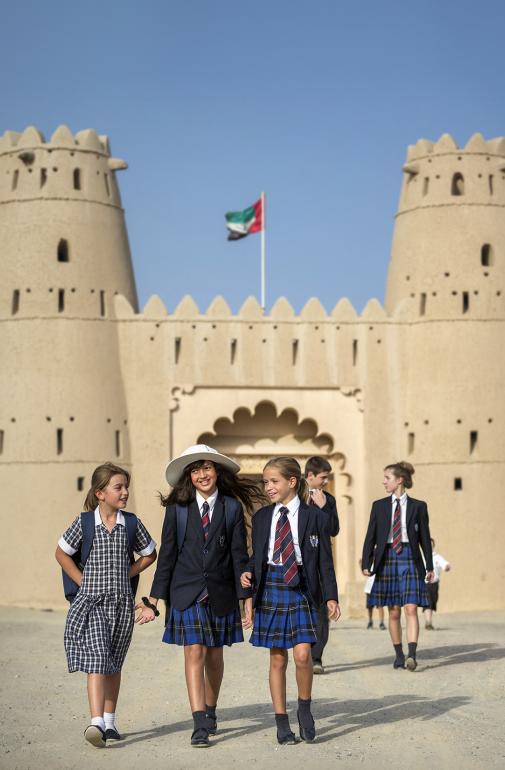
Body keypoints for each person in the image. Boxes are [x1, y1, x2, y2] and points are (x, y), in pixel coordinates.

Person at [135, 444, 264, 748]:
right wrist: (153, 599)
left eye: (207, 468)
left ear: (216, 471)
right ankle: (199, 723)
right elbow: (167, 555)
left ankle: (211, 708)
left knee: (215, 657)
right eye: (195, 470)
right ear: (188, 477)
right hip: (186, 591)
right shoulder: (177, 509)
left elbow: (237, 555)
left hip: (221, 592)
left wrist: (247, 598)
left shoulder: (231, 507)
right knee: (194, 651)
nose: (202, 474)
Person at [55, 462, 157, 748]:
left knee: (114, 663)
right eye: (118, 487)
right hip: (91, 603)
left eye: (126, 486)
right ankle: (96, 721)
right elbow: (61, 553)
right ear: (100, 493)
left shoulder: (131, 523)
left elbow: (150, 554)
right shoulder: (85, 522)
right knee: (98, 657)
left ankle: (110, 723)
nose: (125, 492)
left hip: (122, 605)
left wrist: (128, 573)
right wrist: (81, 580)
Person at [241, 456, 340, 745]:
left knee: (303, 655)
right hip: (271, 586)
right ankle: (281, 721)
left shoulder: (315, 517)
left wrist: (331, 596)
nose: (268, 487)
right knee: (276, 659)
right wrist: (248, 573)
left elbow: (325, 561)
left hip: (302, 588)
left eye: (274, 481)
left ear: (292, 482)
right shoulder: (261, 518)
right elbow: (256, 557)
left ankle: (305, 709)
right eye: (265, 482)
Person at [361, 461, 434, 672]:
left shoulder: (419, 506)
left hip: (410, 557)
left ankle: (412, 654)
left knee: (411, 608)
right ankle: (399, 654)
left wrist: (429, 565)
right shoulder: (379, 506)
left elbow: (425, 540)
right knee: (393, 612)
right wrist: (367, 562)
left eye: (387, 478)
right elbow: (370, 536)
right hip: (387, 558)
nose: (384, 482)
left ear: (399, 480)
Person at [304, 456, 340, 674]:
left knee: (320, 611)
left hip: (320, 562)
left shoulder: (330, 500)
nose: (326, 481)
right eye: (323, 477)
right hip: (298, 562)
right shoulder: (295, 496)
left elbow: (333, 529)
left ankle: (316, 657)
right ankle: (303, 654)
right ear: (310, 476)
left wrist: (324, 508)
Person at [423, 538, 451, 629]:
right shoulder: (422, 557)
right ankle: (428, 622)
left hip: (434, 585)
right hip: (425, 584)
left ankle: (429, 622)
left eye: (431, 545)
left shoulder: (437, 557)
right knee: (428, 603)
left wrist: (447, 567)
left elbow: (444, 564)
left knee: (432, 602)